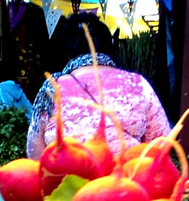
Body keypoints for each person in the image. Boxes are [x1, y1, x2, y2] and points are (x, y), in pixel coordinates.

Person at [26, 13, 170, 160]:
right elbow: (161, 145)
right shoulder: (138, 84)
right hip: (126, 180)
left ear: (68, 55)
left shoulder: (51, 89)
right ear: (110, 47)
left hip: (66, 181)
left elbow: (35, 154)